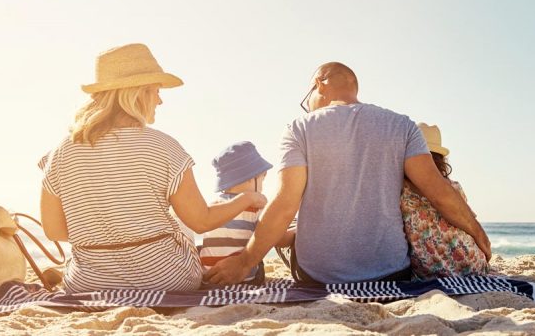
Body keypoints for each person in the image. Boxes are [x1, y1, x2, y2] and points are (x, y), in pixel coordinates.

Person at [206, 62, 491, 285]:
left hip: (317, 276)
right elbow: (438, 191)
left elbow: (286, 202)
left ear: (320, 82)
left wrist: (244, 262)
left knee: (291, 230)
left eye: (308, 98)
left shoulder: (299, 128)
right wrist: (478, 233)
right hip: (391, 274)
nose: (307, 107)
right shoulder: (402, 126)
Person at [39, 44, 266, 293]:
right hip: (167, 280)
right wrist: (246, 198)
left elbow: (54, 230)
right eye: (156, 90)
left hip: (88, 284)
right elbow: (201, 222)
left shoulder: (60, 152)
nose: (160, 99)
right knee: (179, 223)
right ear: (140, 92)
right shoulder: (164, 146)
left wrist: (108, 230)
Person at [401, 123, 489, 279]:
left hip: (427, 270)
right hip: (470, 264)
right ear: (440, 159)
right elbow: (468, 218)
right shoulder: (453, 188)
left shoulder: (401, 191)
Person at [199, 141, 272, 285]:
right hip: (244, 279)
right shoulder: (256, 208)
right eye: (263, 178)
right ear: (252, 178)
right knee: (259, 258)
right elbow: (277, 237)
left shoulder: (214, 206)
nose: (263, 186)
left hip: (211, 277)